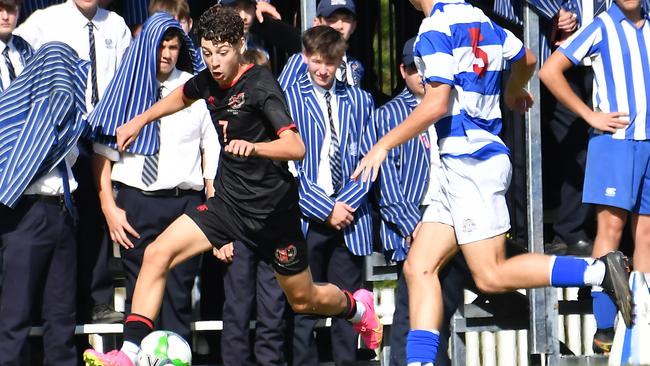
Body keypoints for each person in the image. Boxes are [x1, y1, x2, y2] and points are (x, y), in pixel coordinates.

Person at [83, 6, 381, 366]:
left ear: (240, 45)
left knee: (303, 300)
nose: (214, 62)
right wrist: (140, 120)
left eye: (222, 53)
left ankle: (356, 308)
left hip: (273, 214)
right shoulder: (210, 78)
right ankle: (129, 354)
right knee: (155, 254)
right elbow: (183, 95)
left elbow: (296, 147)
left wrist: (255, 147)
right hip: (228, 207)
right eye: (207, 54)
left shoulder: (260, 85)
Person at [352, 0, 633, 364]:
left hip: (471, 163)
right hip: (460, 165)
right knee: (418, 266)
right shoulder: (477, 17)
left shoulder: (434, 28)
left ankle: (597, 270)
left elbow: (437, 103)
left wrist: (382, 146)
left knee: (490, 275)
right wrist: (514, 88)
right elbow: (528, 57)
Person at [91, 14, 218, 342]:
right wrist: (109, 207)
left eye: (174, 47)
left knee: (179, 296)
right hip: (138, 202)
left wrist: (214, 203)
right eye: (161, 45)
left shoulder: (194, 87)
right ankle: (135, 359)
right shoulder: (126, 87)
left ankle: (175, 361)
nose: (167, 53)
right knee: (140, 295)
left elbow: (211, 151)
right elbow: (102, 153)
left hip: (184, 204)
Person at [539, 0, 650, 353]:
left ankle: (640, 321)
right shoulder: (601, 25)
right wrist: (590, 115)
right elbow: (549, 70)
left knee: (646, 234)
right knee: (611, 232)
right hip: (614, 144)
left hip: (649, 141)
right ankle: (605, 329)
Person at [15, 0, 131, 324]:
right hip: (60, 131)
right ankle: (47, 304)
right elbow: (18, 59)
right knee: (61, 217)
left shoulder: (117, 26)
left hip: (103, 132)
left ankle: (96, 300)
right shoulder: (45, 20)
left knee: (97, 215)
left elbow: (126, 79)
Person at [283, 25, 376, 365]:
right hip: (309, 215)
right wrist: (324, 208)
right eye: (317, 61)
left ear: (341, 61)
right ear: (306, 57)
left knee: (348, 304)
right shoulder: (289, 98)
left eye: (330, 63)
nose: (323, 70)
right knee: (304, 305)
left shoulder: (360, 101)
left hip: (349, 217)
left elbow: (370, 159)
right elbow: (287, 167)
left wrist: (345, 205)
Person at [376, 37, 469, 366]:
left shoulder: (458, 107)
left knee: (440, 308)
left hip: (458, 218)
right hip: (414, 220)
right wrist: (410, 225)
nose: (421, 74)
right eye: (414, 68)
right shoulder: (389, 116)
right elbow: (387, 185)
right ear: (402, 71)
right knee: (411, 312)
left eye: (427, 66)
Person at [0, 41, 87, 366]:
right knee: (16, 316)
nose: (66, 81)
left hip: (63, 213)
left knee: (61, 316)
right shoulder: (19, 115)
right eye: (59, 72)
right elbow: (13, 163)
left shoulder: (67, 122)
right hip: (26, 215)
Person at [278, 0, 364, 90]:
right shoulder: (301, 61)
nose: (339, 26)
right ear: (317, 23)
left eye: (346, 20)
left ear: (354, 25)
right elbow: (280, 98)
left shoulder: (355, 65)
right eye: (332, 19)